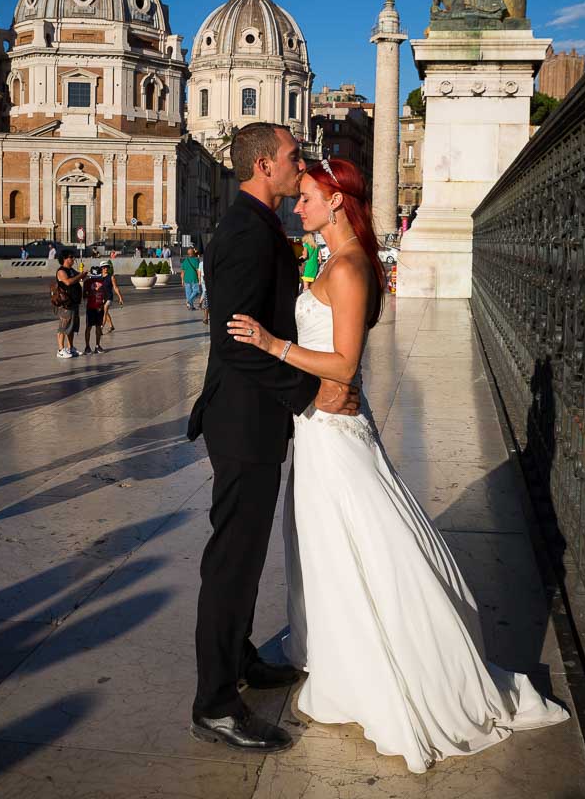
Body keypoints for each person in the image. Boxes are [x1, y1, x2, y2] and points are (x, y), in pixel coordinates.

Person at [227, 157, 570, 773]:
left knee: (355, 543)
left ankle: (386, 667)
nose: (297, 207)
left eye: (306, 197)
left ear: (336, 201)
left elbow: (343, 364)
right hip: (319, 428)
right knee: (329, 547)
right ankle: (338, 654)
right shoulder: (334, 261)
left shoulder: (352, 266)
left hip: (334, 434)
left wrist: (270, 344)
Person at [186, 123, 359, 754]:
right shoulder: (243, 235)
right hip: (242, 420)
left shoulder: (261, 229)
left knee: (248, 553)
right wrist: (309, 394)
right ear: (264, 164)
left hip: (256, 416)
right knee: (232, 560)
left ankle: (240, 657)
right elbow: (234, 341)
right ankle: (214, 702)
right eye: (293, 156)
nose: (300, 164)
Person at [56, 250, 86, 358]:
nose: (73, 259)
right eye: (71, 257)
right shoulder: (61, 271)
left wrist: (83, 273)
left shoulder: (71, 270)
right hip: (65, 304)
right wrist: (80, 276)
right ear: (64, 258)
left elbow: (80, 277)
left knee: (72, 327)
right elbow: (68, 282)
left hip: (74, 302)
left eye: (73, 257)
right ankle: (60, 350)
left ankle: (70, 348)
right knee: (63, 326)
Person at [83, 266, 107, 354]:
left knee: (98, 327)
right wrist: (90, 293)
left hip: (100, 308)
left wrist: (103, 304)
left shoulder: (103, 282)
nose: (95, 279)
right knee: (88, 327)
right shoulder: (87, 282)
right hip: (90, 308)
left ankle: (97, 346)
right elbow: (84, 296)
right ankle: (87, 346)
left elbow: (105, 294)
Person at [100, 260, 124, 332]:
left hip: (109, 297)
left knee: (105, 310)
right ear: (101, 268)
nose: (106, 269)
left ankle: (101, 328)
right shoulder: (99, 276)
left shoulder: (111, 277)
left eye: (107, 267)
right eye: (104, 267)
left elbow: (115, 287)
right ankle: (111, 326)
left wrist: (120, 297)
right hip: (101, 297)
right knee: (105, 312)